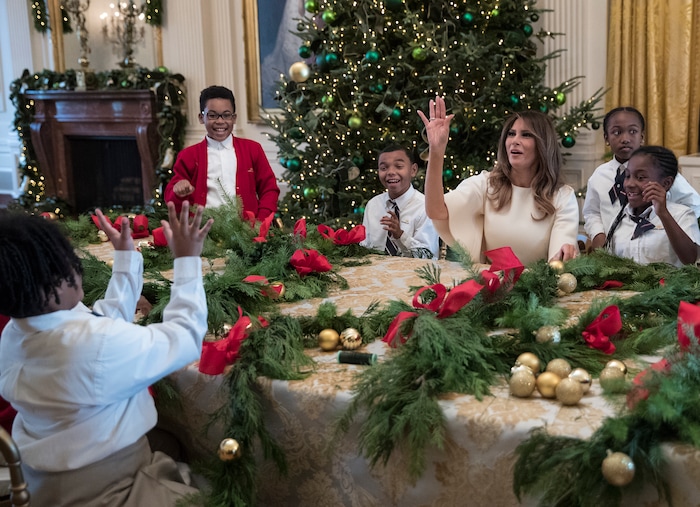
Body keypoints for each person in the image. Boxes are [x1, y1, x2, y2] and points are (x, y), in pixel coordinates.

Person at [0, 202, 213, 506]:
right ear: (50, 289)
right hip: (109, 487)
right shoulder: (88, 346)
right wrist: (187, 261)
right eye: (67, 265)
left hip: (44, 483)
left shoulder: (16, 332)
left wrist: (125, 258)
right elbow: (185, 337)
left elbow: (99, 325)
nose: (77, 268)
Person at [418, 96, 579, 266]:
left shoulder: (562, 197)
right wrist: (436, 151)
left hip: (538, 290)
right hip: (491, 286)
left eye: (526, 135)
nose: (514, 141)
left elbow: (558, 262)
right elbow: (436, 211)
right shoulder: (487, 185)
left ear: (543, 145)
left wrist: (564, 256)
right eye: (511, 134)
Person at [583, 106, 700, 250]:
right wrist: (598, 235)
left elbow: (693, 204)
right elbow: (592, 212)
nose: (625, 139)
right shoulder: (599, 176)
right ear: (606, 138)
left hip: (652, 255)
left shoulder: (659, 173)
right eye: (617, 132)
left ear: (642, 137)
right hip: (612, 257)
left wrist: (665, 225)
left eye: (632, 131)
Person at [164, 85, 280, 220]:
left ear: (234, 118)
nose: (220, 121)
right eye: (212, 115)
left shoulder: (253, 149)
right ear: (202, 118)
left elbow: (269, 189)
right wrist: (178, 192)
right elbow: (172, 199)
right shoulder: (188, 155)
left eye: (226, 115)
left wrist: (261, 222)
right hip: (204, 231)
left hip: (246, 232)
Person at [604, 146, 700, 267]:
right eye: (627, 176)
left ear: (666, 183)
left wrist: (663, 213)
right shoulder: (620, 219)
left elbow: (690, 259)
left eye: (640, 177)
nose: (630, 184)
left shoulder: (682, 215)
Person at [360, 144, 440, 259]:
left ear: (413, 170)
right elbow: (364, 246)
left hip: (413, 275)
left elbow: (429, 257)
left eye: (398, 166)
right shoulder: (373, 205)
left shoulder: (425, 207)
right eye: (384, 168)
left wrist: (400, 235)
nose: (390, 172)